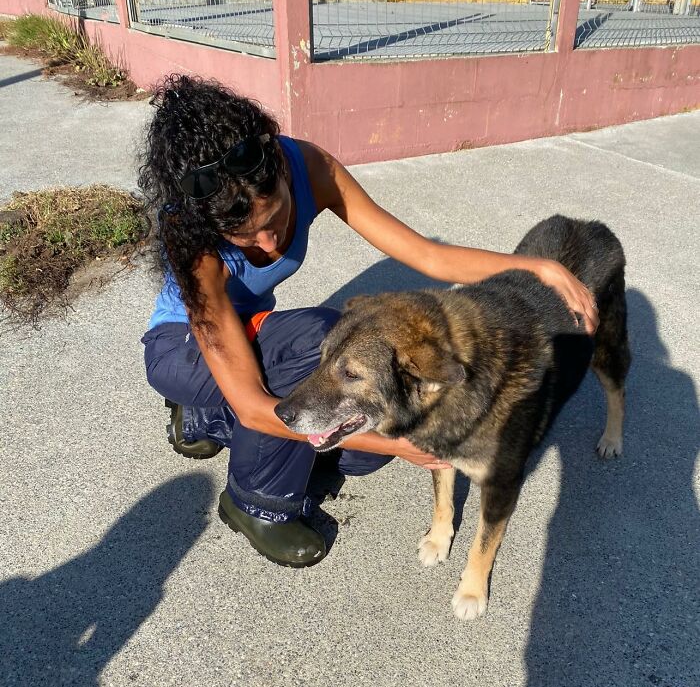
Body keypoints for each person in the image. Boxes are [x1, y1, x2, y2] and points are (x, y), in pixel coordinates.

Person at [139, 74, 598, 569]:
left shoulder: (308, 166)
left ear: (283, 175)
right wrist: (402, 445)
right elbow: (254, 408)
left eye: (274, 221)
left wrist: (537, 267)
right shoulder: (193, 236)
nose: (270, 245)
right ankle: (255, 503)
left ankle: (204, 416)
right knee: (326, 343)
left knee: (363, 451)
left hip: (257, 330)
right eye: (248, 239)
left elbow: (427, 255)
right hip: (181, 348)